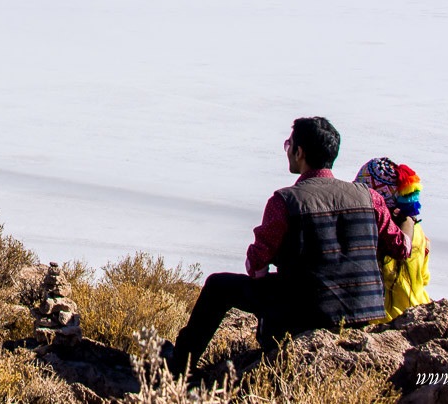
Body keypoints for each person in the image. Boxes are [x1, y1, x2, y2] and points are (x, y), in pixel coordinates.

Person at [170, 117, 413, 377]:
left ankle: (178, 368)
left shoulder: (285, 201)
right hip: (363, 313)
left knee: (218, 286)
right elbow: (402, 249)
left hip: (306, 312)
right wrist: (409, 218)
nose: (287, 149)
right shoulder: (370, 197)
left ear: (299, 152)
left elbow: (256, 264)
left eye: (289, 144)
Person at [355, 158, 431, 321]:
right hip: (417, 312)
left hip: (382, 320)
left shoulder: (370, 233)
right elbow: (424, 279)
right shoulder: (417, 232)